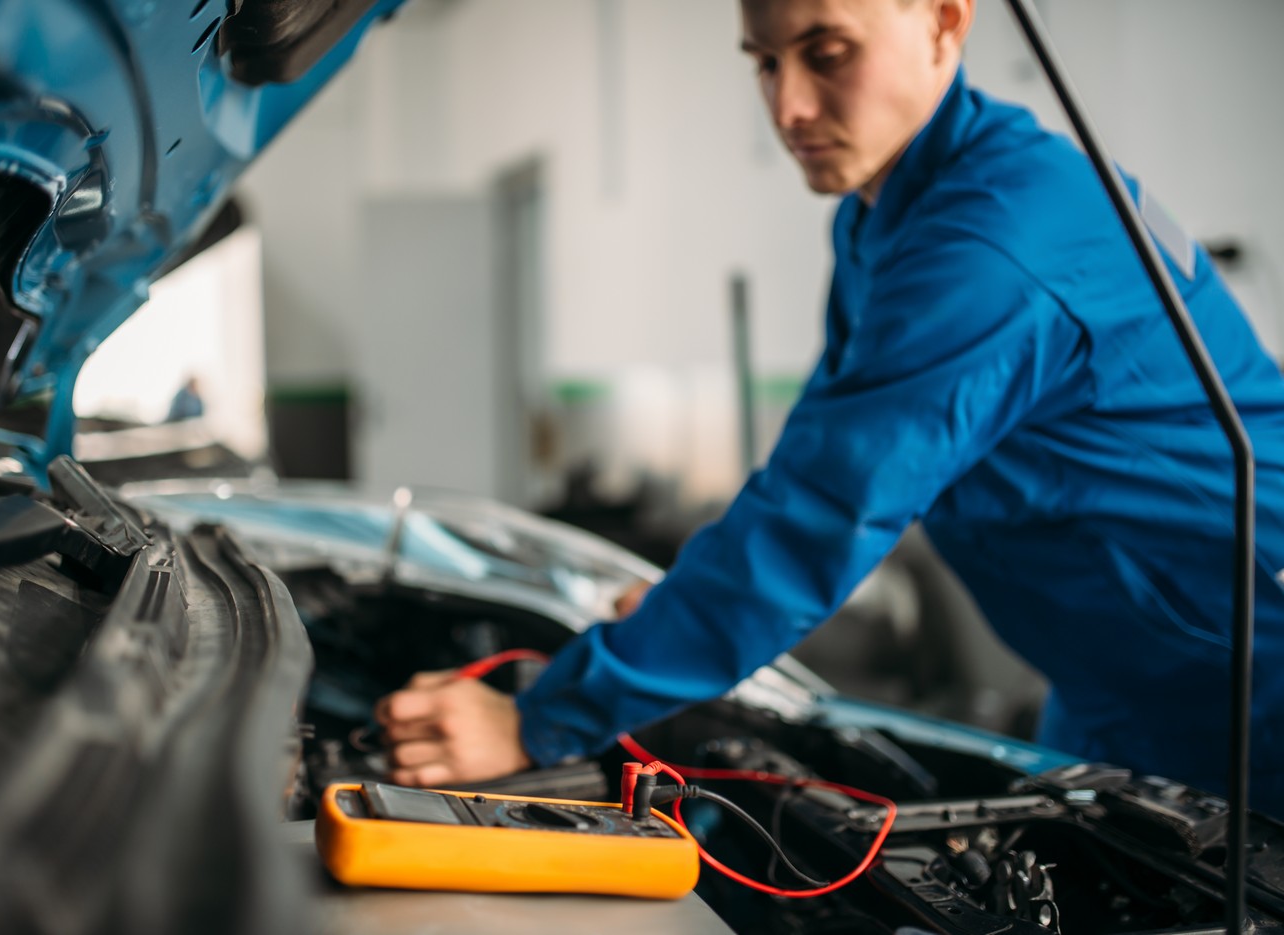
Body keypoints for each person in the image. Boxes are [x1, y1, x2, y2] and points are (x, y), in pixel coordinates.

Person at [375, 0, 1284, 813]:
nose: (788, 108)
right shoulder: (887, 214)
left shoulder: (990, 245)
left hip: (1250, 676)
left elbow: (820, 517)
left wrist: (540, 722)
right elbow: (818, 458)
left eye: (829, 51)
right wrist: (686, 600)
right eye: (765, 61)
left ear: (944, 19)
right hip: (1115, 674)